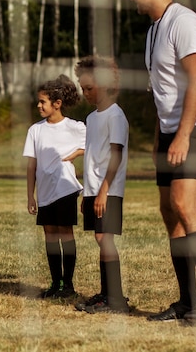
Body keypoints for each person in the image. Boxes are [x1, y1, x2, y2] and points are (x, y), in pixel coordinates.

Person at [128, 0, 196, 322]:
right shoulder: (155, 30)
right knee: (169, 212)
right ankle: (187, 302)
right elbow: (162, 93)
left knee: (184, 204)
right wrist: (160, 138)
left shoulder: (185, 22)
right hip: (170, 130)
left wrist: (183, 134)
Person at [73, 56, 130, 314]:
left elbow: (115, 155)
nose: (85, 93)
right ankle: (106, 294)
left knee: (104, 239)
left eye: (89, 88)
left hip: (109, 190)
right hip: (94, 191)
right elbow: (92, 158)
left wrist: (104, 192)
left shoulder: (115, 116)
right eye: (82, 88)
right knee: (100, 238)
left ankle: (115, 298)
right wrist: (87, 192)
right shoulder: (92, 118)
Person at [23, 75, 86, 299]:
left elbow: (93, 145)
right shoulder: (35, 130)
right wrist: (31, 196)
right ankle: (55, 283)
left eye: (43, 102)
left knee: (65, 233)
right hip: (45, 193)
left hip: (66, 189)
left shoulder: (75, 127)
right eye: (38, 102)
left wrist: (76, 154)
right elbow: (32, 166)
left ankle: (68, 285)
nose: (38, 106)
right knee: (50, 234)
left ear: (57, 104)